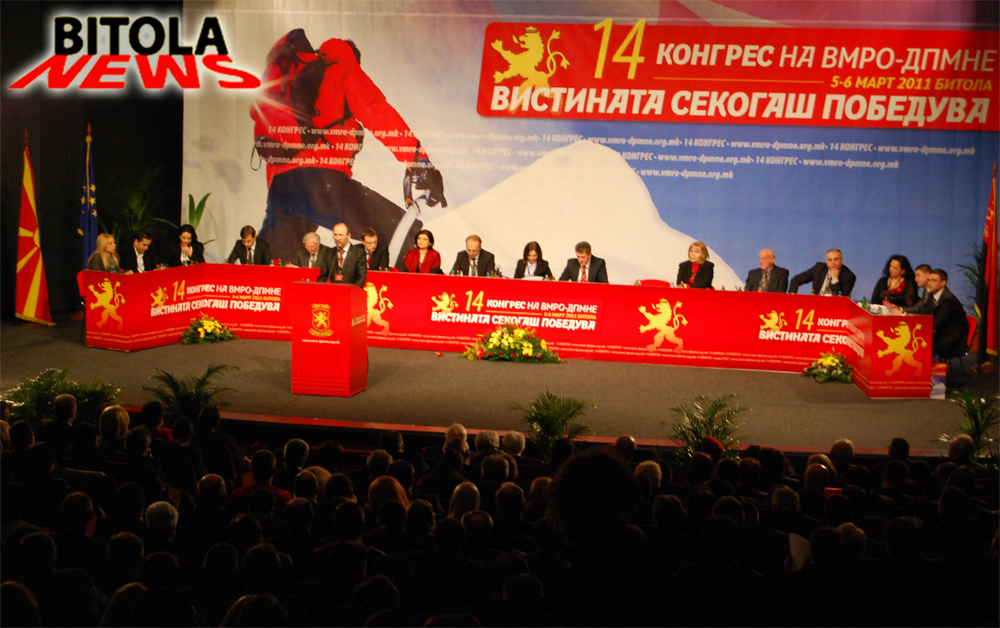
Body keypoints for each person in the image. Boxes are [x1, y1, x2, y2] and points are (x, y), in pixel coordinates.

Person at [251, 31, 445, 267]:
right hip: (322, 182)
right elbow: (377, 113)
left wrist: (284, 195)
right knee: (403, 233)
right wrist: (419, 161)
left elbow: (280, 149)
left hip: (282, 188)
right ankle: (395, 291)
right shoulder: (341, 71)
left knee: (268, 266)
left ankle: (238, 289)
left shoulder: (293, 81)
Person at [921, 269, 969, 359]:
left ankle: (921, 367)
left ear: (943, 283)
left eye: (934, 280)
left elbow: (937, 323)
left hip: (952, 339)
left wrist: (919, 325)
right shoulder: (931, 295)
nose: (930, 283)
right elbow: (925, 313)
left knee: (920, 344)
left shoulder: (948, 299)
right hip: (940, 334)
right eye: (929, 280)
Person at [789, 249, 856, 297]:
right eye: (830, 260)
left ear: (841, 260)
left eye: (836, 259)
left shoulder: (849, 276)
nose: (833, 263)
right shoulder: (819, 268)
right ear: (826, 261)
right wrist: (792, 297)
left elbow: (841, 298)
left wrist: (835, 279)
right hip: (816, 304)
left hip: (835, 308)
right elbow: (796, 280)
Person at [328, 222, 367, 287]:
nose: (337, 238)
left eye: (340, 235)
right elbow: (323, 277)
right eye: (335, 235)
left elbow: (362, 277)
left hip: (352, 291)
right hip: (333, 291)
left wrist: (351, 290)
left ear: (348, 235)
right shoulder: (329, 253)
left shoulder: (359, 253)